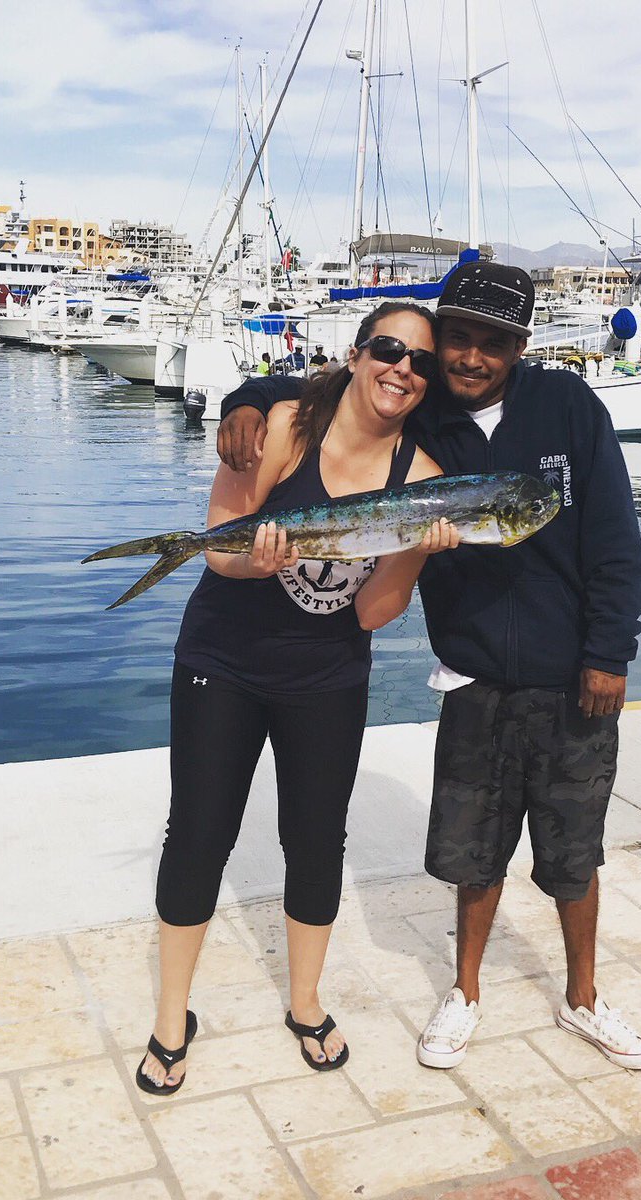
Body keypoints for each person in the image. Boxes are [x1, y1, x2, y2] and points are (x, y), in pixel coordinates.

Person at [216, 261, 641, 1075]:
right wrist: (245, 398)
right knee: (471, 852)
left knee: (574, 851)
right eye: (458, 337)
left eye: (494, 342)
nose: (471, 357)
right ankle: (464, 991)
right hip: (471, 672)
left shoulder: (568, 406)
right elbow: (329, 385)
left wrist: (608, 654)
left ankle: (583, 996)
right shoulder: (426, 416)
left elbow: (613, 538)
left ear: (519, 347)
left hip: (571, 673)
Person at [137, 301, 458, 1096]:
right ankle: (171, 1018)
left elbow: (372, 612)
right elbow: (218, 542)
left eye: (420, 362)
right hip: (223, 660)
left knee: (316, 841)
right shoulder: (282, 425)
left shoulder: (422, 480)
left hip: (327, 676)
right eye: (389, 349)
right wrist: (254, 560)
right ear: (356, 353)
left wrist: (414, 553)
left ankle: (304, 1002)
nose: (402, 369)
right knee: (197, 835)